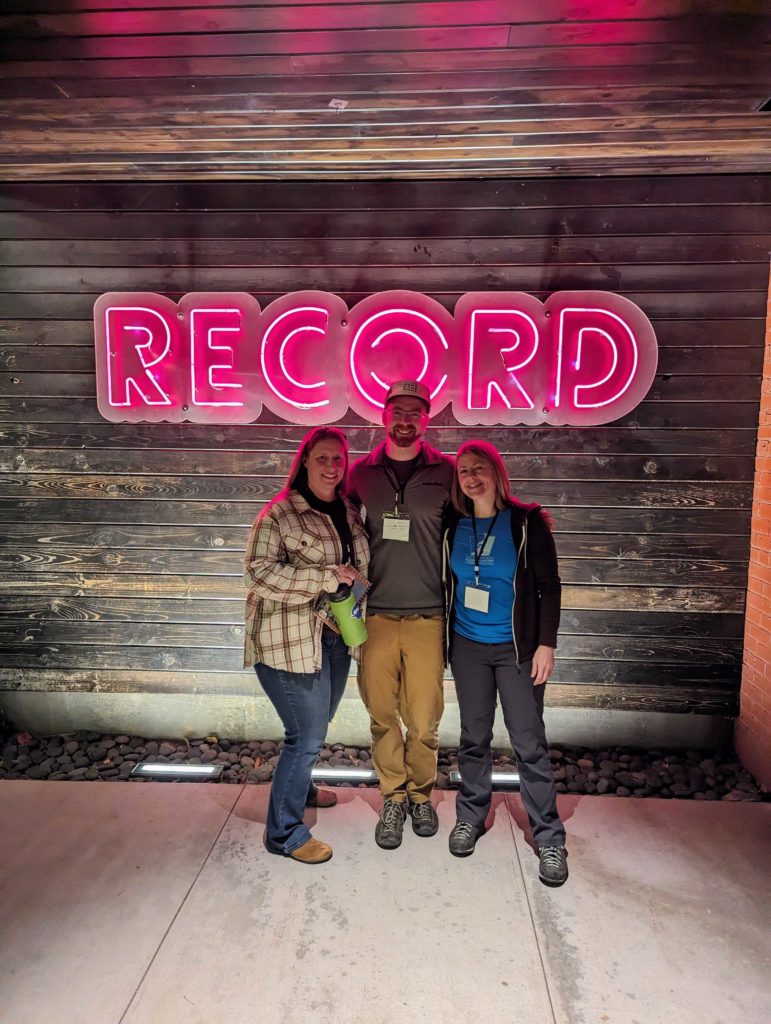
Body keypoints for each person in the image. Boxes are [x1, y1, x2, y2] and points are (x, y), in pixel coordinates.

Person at [442, 440, 568, 886]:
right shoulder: (452, 524)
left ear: (497, 473)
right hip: (468, 647)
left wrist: (546, 644)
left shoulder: (526, 523)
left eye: (479, 469)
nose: (471, 477)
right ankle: (471, 815)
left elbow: (549, 586)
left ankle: (549, 837)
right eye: (463, 472)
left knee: (529, 742)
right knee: (473, 737)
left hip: (517, 650)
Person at [244, 426, 369, 865]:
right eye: (322, 458)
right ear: (305, 462)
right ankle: (286, 834)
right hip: (288, 645)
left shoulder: (350, 511)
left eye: (338, 459)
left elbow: (355, 570)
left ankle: (304, 789)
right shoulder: (279, 515)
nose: (332, 467)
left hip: (335, 639)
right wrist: (324, 577)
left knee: (317, 726)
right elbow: (258, 573)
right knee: (306, 735)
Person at [349, 380, 454, 849]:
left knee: (425, 718)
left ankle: (421, 796)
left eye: (416, 412)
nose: (405, 420)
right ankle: (393, 797)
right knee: (381, 715)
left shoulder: (449, 473)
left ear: (427, 420)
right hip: (374, 616)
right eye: (398, 410)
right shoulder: (359, 474)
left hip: (429, 617)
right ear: (383, 415)